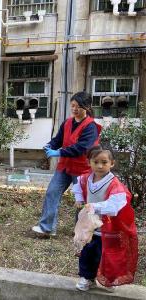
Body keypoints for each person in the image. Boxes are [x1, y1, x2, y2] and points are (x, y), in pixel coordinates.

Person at [32, 91, 102, 236]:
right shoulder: (68, 122)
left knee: (81, 200)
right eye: (73, 106)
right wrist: (50, 146)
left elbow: (82, 148)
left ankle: (82, 231)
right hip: (64, 166)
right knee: (52, 192)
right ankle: (47, 228)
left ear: (87, 107)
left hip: (82, 169)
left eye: (78, 106)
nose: (75, 109)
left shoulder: (91, 127)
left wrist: (58, 153)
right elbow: (58, 139)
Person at [71, 145, 138, 292]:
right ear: (89, 162)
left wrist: (95, 206)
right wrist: (79, 199)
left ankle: (110, 279)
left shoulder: (114, 184)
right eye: (96, 162)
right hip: (89, 226)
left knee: (109, 255)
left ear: (112, 163)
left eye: (104, 162)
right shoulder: (86, 178)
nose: (100, 165)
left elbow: (114, 206)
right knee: (87, 252)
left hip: (108, 227)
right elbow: (77, 186)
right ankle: (87, 278)